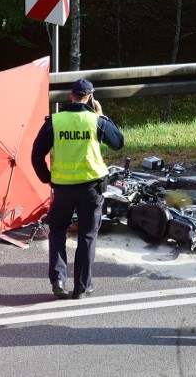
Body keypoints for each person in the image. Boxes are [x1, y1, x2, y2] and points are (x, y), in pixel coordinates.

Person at [31, 79, 124, 299]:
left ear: (70, 96)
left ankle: (59, 280)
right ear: (90, 97)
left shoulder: (55, 122)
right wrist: (102, 116)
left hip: (62, 188)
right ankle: (82, 287)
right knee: (87, 236)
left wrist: (48, 178)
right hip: (91, 188)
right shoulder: (95, 121)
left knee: (58, 232)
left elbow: (36, 155)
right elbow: (118, 142)